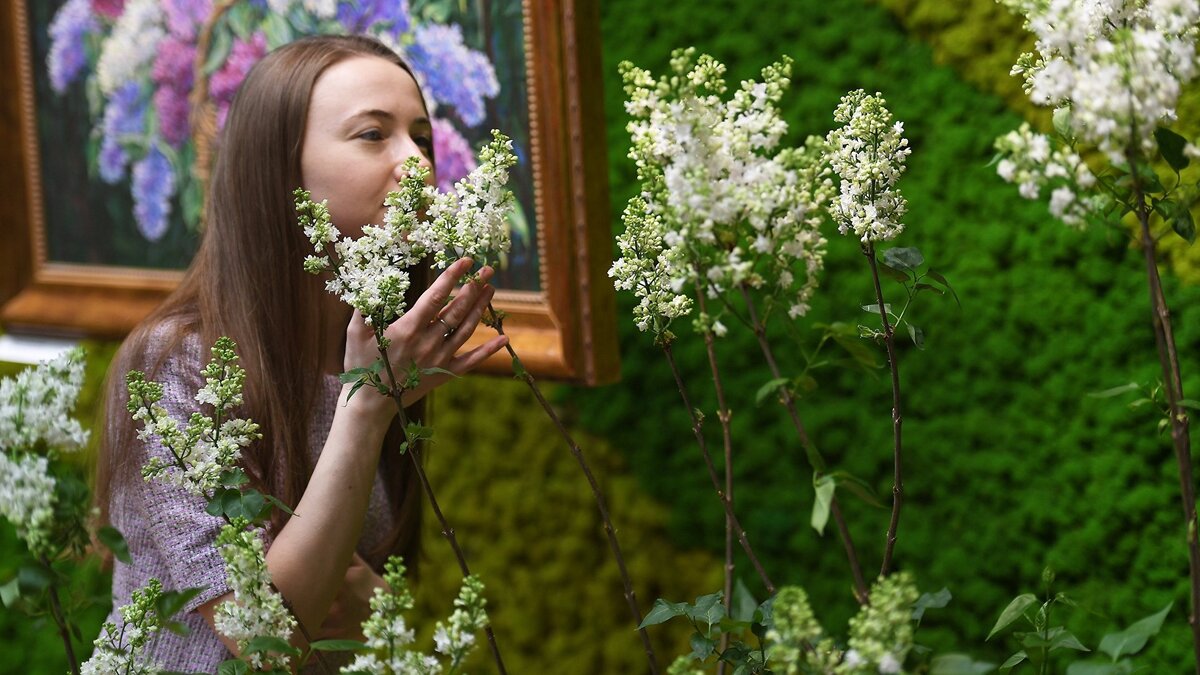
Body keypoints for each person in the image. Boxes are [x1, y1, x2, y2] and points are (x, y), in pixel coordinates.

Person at [95, 34, 508, 670]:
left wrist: (363, 600)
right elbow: (269, 642)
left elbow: (359, 607)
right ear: (280, 170)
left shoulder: (380, 339)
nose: (418, 164)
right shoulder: (174, 364)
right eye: (374, 135)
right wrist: (365, 409)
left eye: (420, 137)